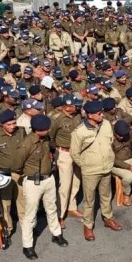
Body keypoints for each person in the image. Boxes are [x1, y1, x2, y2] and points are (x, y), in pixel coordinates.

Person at [12, 114, 68, 259]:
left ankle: (56, 235)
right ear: (38, 130)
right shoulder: (26, 144)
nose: (49, 130)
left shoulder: (46, 139)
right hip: (32, 182)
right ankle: (28, 246)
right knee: (30, 214)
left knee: (52, 208)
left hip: (48, 179)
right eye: (46, 128)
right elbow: (16, 165)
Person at [71, 100, 122, 241]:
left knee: (106, 195)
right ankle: (88, 225)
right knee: (89, 200)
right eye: (99, 113)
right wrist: (86, 165)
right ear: (90, 115)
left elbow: (109, 141)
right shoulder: (79, 132)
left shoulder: (106, 124)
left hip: (106, 167)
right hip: (90, 171)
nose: (102, 115)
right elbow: (74, 153)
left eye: (102, 112)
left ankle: (108, 218)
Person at [0, 109, 27, 233]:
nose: (12, 126)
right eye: (9, 124)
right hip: (4, 173)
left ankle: (25, 226)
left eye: (14, 123)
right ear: (2, 125)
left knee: (22, 201)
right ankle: (8, 227)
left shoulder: (21, 131)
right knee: (5, 203)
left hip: (20, 172)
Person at [49, 95, 84, 226]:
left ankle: (71, 207)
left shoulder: (78, 115)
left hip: (77, 152)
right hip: (64, 153)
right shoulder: (56, 119)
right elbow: (50, 137)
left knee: (76, 181)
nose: (78, 107)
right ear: (67, 107)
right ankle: (59, 215)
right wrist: (56, 151)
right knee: (64, 186)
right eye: (75, 105)